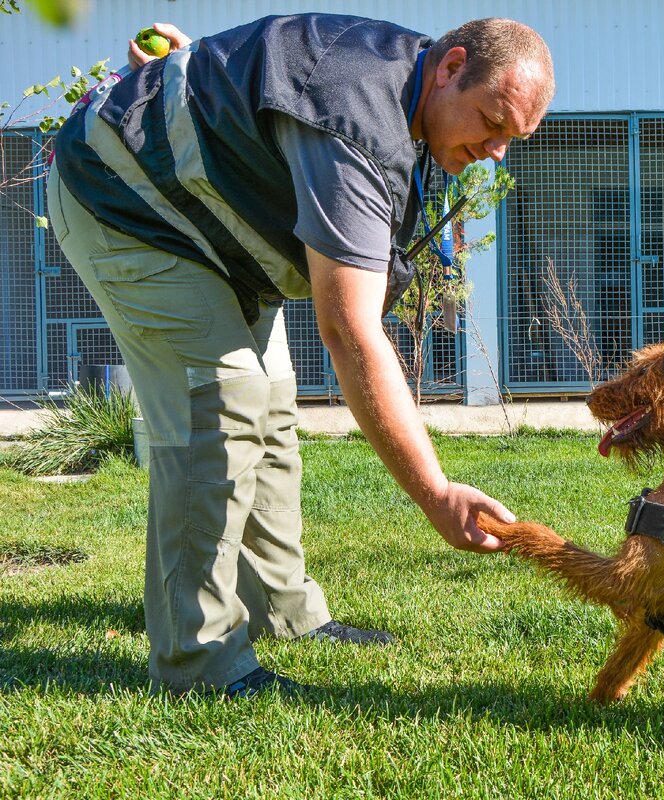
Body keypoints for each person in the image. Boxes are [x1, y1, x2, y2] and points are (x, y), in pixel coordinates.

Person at [46, 13, 554, 697]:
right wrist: (435, 493)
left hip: (214, 231)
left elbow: (258, 88)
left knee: (272, 401)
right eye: (492, 122)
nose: (496, 151)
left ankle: (282, 612)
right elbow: (348, 331)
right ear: (451, 66)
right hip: (124, 199)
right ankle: (198, 663)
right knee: (221, 402)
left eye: (512, 139)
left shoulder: (406, 96)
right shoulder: (353, 117)